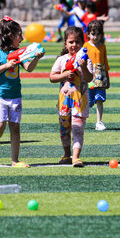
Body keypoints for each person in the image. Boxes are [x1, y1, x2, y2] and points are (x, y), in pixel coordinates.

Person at [0, 16, 44, 168]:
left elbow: (29, 68)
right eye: (19, 35)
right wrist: (6, 65)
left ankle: (15, 161)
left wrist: (36, 58)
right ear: (10, 35)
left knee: (15, 127)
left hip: (15, 95)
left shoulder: (19, 52)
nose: (22, 38)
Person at [50, 26, 93, 167]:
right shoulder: (61, 60)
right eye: (71, 42)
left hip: (80, 101)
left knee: (77, 128)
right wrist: (64, 75)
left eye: (78, 42)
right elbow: (52, 77)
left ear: (82, 43)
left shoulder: (85, 59)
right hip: (64, 102)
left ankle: (76, 157)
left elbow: (89, 78)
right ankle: (66, 154)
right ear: (65, 44)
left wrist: (84, 67)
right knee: (64, 129)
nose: (74, 45)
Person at [86, 20, 110, 131]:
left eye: (97, 34)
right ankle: (80, 119)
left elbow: (105, 62)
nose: (95, 37)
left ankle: (99, 122)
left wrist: (108, 78)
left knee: (99, 99)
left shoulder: (103, 47)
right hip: (89, 77)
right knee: (88, 101)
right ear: (88, 34)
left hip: (101, 77)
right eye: (93, 34)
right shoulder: (85, 46)